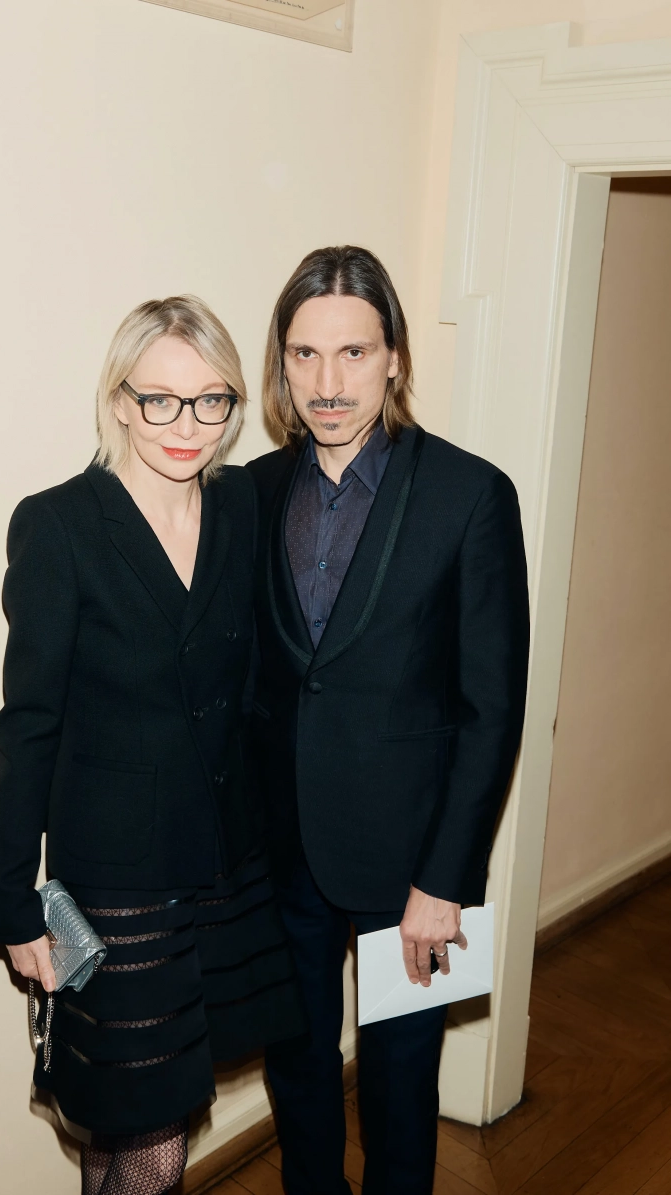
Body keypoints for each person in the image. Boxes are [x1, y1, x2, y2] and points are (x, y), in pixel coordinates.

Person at [0, 296, 303, 1195]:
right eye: (160, 399)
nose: (187, 425)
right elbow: (29, 722)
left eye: (211, 400)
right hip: (116, 882)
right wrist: (9, 900)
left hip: (223, 865)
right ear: (119, 400)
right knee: (150, 1141)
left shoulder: (239, 505)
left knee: (128, 1127)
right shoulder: (61, 525)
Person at [245, 246, 530, 1195]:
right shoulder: (252, 492)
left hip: (413, 869)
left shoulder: (470, 495)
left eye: (354, 352)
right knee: (297, 1068)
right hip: (281, 855)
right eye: (305, 354)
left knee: (402, 1088)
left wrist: (445, 879)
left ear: (396, 357)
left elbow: (492, 708)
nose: (327, 383)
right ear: (282, 363)